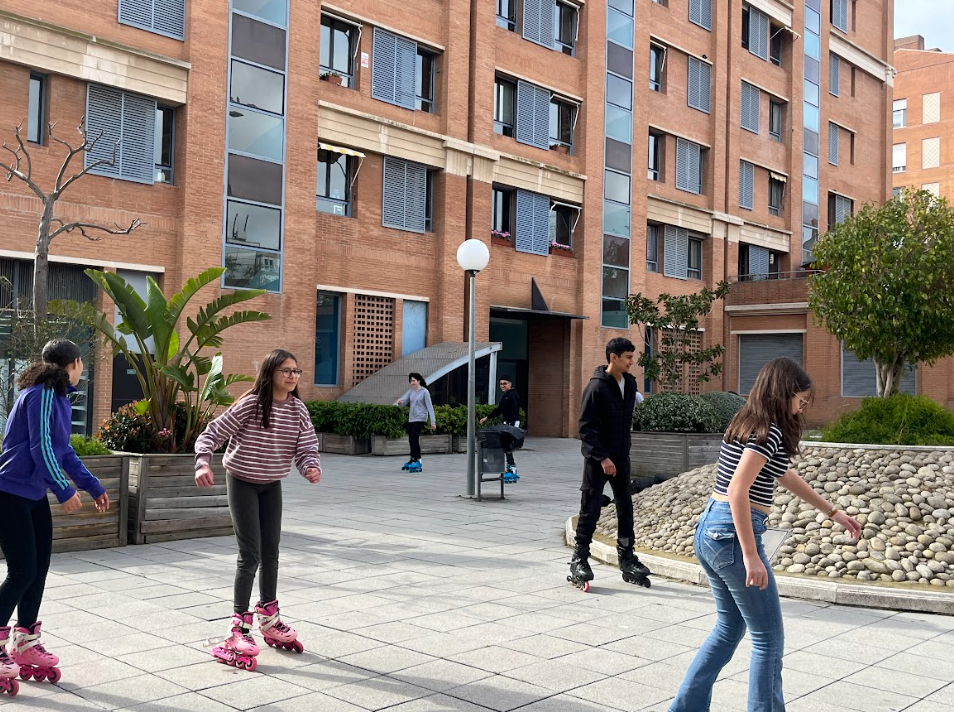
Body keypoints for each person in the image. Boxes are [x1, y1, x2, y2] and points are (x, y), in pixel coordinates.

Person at [669, 358, 861, 712]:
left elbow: (783, 474)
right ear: (783, 393)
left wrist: (833, 512)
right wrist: (750, 555)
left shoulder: (747, 422)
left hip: (710, 531)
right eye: (800, 400)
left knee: (729, 628)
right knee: (768, 638)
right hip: (732, 535)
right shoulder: (769, 431)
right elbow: (737, 490)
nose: (802, 407)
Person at [195, 349, 320, 669]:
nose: (292, 376)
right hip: (242, 481)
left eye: (296, 371)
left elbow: (306, 446)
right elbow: (213, 432)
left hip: (271, 484)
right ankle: (238, 626)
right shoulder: (251, 405)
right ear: (270, 373)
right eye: (285, 370)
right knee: (250, 554)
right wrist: (202, 462)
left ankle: (268, 614)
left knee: (271, 552)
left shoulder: (297, 410)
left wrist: (309, 466)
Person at [0, 339, 109, 692]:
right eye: (82, 364)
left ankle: (25, 641)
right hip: (10, 493)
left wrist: (92, 485)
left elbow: (63, 451)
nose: (82, 370)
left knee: (38, 569)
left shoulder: (58, 398)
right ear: (74, 363)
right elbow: (41, 446)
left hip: (32, 494)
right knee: (22, 571)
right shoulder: (43, 394)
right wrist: (63, 489)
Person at [569, 337, 651, 590]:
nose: (632, 361)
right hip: (598, 459)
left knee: (625, 506)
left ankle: (627, 557)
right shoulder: (596, 387)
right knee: (591, 506)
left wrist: (620, 455)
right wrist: (603, 458)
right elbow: (585, 427)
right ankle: (579, 559)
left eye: (632, 356)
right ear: (613, 357)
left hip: (621, 456)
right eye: (628, 357)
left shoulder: (630, 383)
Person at [480, 376, 522, 482]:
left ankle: (512, 468)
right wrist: (487, 417)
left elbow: (514, 411)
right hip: (507, 424)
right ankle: (509, 467)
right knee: (505, 446)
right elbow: (499, 410)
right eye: (501, 384)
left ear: (510, 384)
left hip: (510, 425)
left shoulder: (512, 395)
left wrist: (511, 426)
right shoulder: (506, 396)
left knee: (507, 445)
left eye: (505, 383)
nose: (502, 386)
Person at [397, 373, 436, 473]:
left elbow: (430, 407)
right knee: (411, 439)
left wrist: (433, 422)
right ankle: (412, 458)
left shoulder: (425, 392)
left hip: (421, 418)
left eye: (413, 381)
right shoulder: (411, 391)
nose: (412, 383)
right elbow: (404, 402)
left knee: (414, 437)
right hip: (412, 418)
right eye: (411, 381)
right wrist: (400, 403)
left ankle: (418, 460)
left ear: (419, 380)